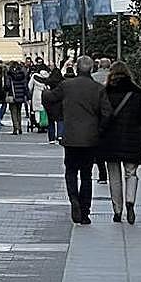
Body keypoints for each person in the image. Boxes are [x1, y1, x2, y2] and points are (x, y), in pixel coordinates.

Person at [43, 55, 112, 225]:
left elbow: (49, 98)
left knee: (71, 170)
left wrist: (57, 114)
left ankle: (73, 198)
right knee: (87, 175)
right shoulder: (98, 88)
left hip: (71, 136)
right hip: (90, 138)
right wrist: (100, 130)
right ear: (92, 68)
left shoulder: (67, 85)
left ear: (77, 68)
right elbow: (107, 113)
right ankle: (85, 210)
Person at [99, 61, 141, 225]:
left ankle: (117, 209)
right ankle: (130, 202)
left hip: (110, 140)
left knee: (114, 176)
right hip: (132, 138)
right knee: (131, 173)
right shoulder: (137, 94)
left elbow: (101, 117)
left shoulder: (105, 93)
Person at [3, 60, 29, 135]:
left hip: (13, 95)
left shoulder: (9, 75)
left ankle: (15, 128)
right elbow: (25, 86)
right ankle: (20, 128)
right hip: (20, 96)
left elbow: (7, 86)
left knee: (13, 112)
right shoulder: (22, 74)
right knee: (19, 112)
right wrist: (26, 95)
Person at [42, 66, 65, 145]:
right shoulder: (63, 82)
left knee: (51, 122)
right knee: (60, 120)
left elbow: (45, 92)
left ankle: (51, 138)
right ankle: (60, 135)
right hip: (60, 104)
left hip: (50, 104)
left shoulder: (48, 81)